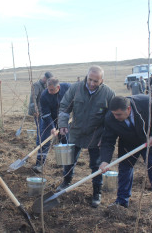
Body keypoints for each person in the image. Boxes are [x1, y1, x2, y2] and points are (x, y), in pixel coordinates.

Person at [99, 95, 152, 215]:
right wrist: (105, 160)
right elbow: (108, 140)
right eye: (114, 114)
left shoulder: (146, 103)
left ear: (128, 109)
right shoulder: (110, 118)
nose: (116, 117)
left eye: (119, 114)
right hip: (128, 142)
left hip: (150, 140)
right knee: (125, 170)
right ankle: (122, 201)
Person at [57, 66, 115, 208]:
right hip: (76, 132)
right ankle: (66, 182)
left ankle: (97, 192)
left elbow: (112, 118)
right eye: (90, 79)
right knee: (70, 160)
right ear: (86, 76)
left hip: (96, 135)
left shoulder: (108, 94)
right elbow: (65, 107)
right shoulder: (75, 89)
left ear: (102, 80)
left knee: (96, 165)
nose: (92, 83)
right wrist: (63, 124)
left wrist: (105, 137)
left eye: (96, 81)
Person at [32, 78, 71, 173]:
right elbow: (45, 114)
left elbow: (77, 95)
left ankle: (65, 165)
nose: (49, 91)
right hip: (47, 119)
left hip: (63, 118)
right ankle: (39, 164)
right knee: (44, 141)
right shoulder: (44, 96)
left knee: (65, 139)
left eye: (52, 90)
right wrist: (52, 127)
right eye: (48, 89)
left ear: (58, 87)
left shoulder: (68, 88)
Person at [28, 71, 53, 146]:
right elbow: (33, 99)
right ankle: (39, 145)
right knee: (40, 130)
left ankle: (44, 144)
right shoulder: (36, 85)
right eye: (48, 80)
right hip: (38, 112)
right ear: (45, 78)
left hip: (44, 112)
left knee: (44, 129)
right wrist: (35, 110)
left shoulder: (45, 86)